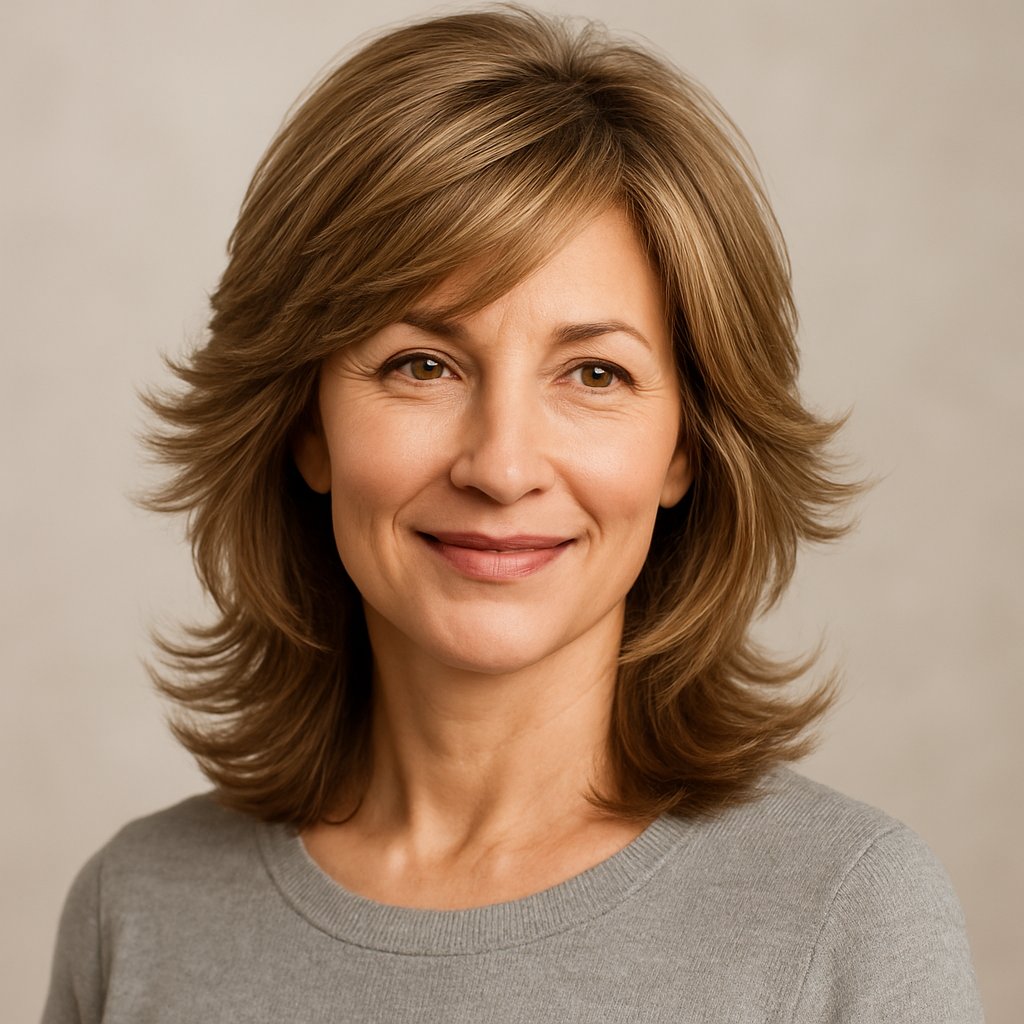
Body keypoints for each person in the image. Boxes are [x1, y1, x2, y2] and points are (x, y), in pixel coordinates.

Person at [42, 5, 983, 1022]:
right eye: (422, 364)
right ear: (303, 421)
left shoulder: (846, 916)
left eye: (593, 372)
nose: (501, 464)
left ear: (685, 446)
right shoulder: (136, 912)